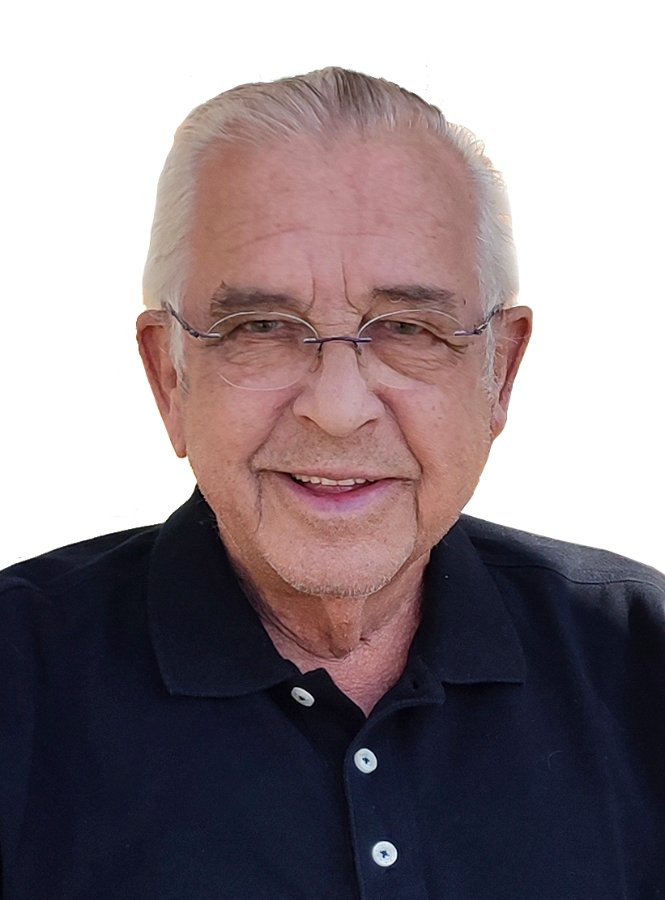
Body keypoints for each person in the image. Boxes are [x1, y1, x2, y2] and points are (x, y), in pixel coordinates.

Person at [1, 67, 663, 900]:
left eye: (408, 328)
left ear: (499, 374)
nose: (339, 410)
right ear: (169, 376)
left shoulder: (641, 658)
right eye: (261, 327)